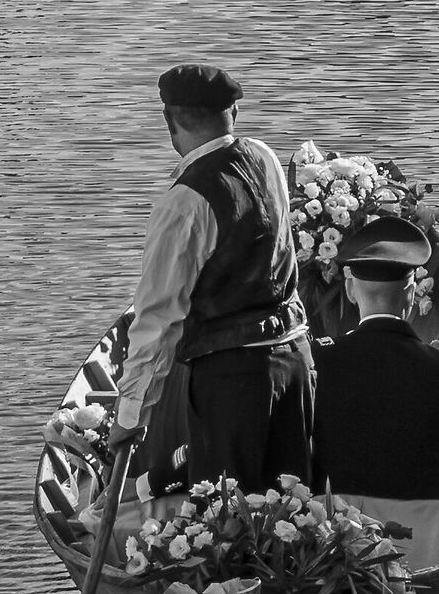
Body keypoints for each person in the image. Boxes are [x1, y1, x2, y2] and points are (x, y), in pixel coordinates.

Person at [111, 64, 313, 494]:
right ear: (233, 112)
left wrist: (130, 416)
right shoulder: (265, 156)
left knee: (227, 523)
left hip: (235, 379)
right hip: (296, 360)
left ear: (170, 122)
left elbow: (157, 319)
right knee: (294, 506)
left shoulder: (183, 203)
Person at [312, 217, 439, 505]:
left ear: (350, 291)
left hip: (337, 530)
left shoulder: (319, 360)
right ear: (410, 294)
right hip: (426, 530)